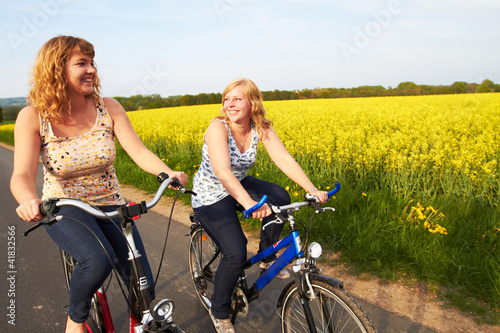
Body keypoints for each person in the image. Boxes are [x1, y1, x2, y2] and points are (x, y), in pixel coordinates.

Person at [10, 35, 188, 333]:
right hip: (65, 206)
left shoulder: (108, 107)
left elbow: (139, 151)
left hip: (112, 204)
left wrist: (167, 173)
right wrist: (28, 199)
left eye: (92, 62)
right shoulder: (33, 117)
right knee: (97, 259)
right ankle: (75, 320)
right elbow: (22, 175)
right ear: (56, 69)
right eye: (82, 63)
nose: (92, 69)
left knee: (142, 286)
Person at [191, 78, 328, 332]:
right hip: (210, 195)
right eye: (226, 99)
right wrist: (249, 203)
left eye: (237, 98)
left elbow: (283, 159)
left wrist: (311, 188)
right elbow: (223, 172)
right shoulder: (218, 128)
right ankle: (219, 311)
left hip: (239, 184)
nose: (229, 104)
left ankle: (267, 254)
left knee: (280, 197)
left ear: (252, 102)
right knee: (236, 252)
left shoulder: (260, 126)